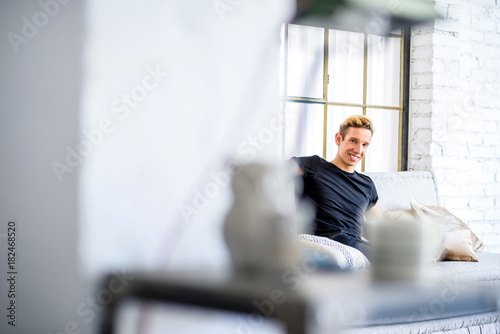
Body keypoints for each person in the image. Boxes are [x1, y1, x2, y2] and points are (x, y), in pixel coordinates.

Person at [290, 115, 382, 255]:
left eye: (364, 144)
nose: (358, 150)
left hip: (353, 248)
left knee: (390, 255)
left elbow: (381, 229)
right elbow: (273, 173)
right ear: (339, 139)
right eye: (353, 141)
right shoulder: (314, 166)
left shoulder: (367, 184)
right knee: (342, 238)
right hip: (322, 243)